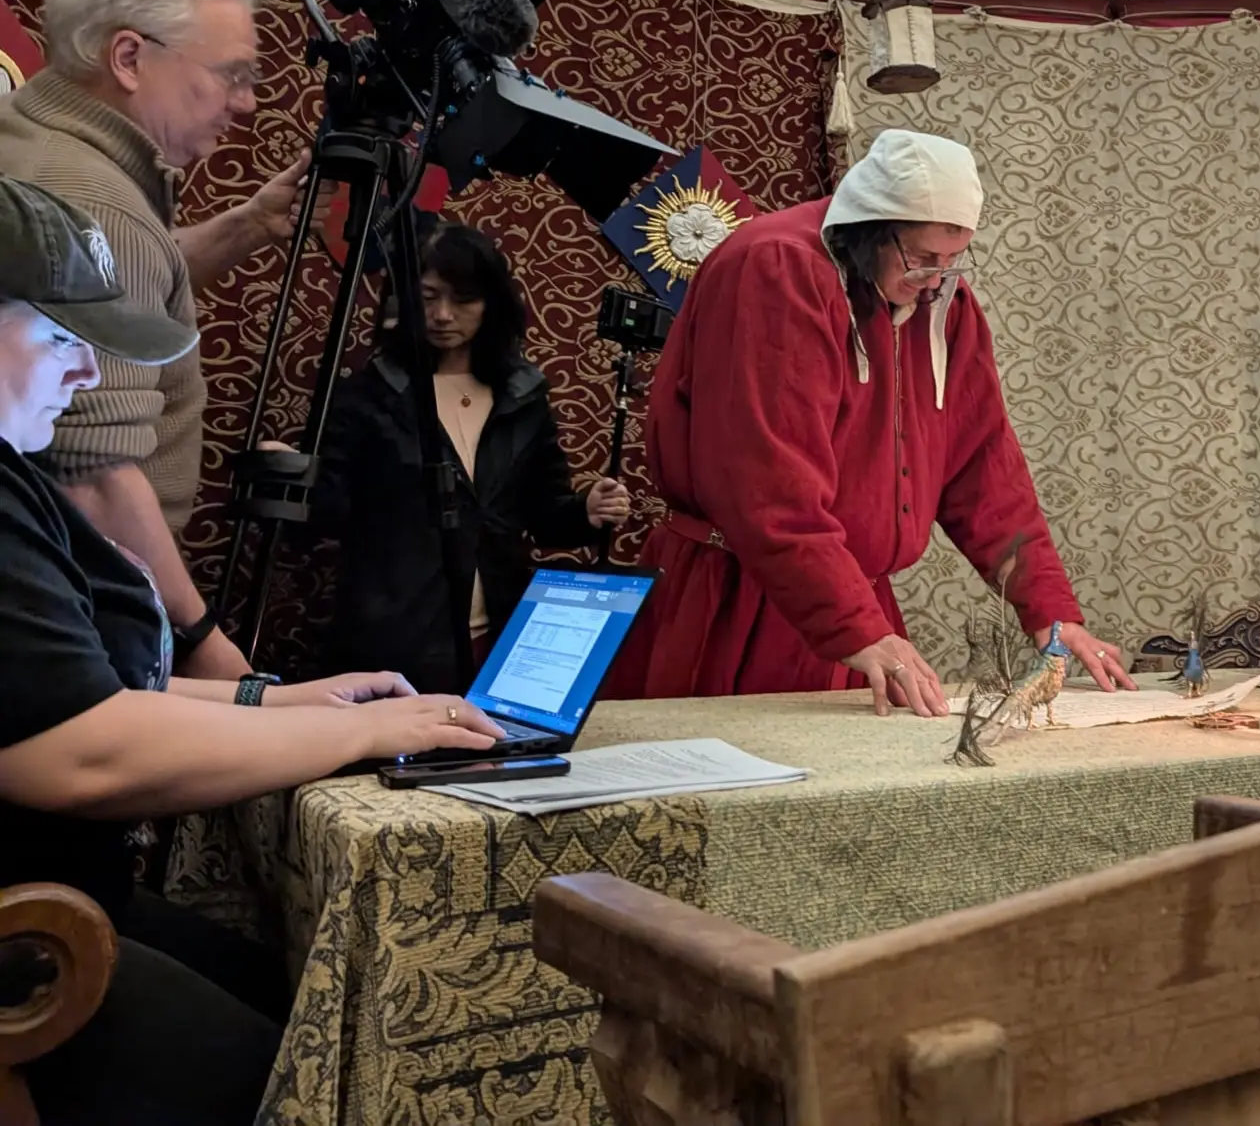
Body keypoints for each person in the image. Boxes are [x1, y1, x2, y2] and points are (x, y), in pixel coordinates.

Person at [0, 175, 503, 1123]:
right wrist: (363, 735)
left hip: (63, 892)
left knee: (292, 992)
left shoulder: (15, 477)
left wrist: (287, 701)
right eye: (64, 338)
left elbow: (91, 686)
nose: (84, 371)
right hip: (32, 922)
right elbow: (80, 748)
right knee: (291, 1077)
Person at [611, 128, 1132, 718]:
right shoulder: (778, 267)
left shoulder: (944, 304)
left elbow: (986, 471)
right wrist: (854, 626)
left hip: (847, 602)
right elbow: (767, 481)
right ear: (870, 230)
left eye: (954, 259)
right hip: (742, 594)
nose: (937, 279)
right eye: (923, 259)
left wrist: (1050, 613)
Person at [0, 0, 328, 682]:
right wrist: (207, 644)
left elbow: (95, 286)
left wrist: (246, 226)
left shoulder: (40, 138)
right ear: (128, 56)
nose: (246, 104)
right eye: (230, 75)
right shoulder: (94, 193)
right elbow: (91, 469)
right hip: (80, 598)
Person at [302, 224, 630, 696]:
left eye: (463, 299)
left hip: (500, 635)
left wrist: (586, 510)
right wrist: (293, 478)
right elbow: (327, 513)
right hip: (394, 637)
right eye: (429, 297)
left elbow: (543, 513)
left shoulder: (522, 395)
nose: (442, 315)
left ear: (491, 302)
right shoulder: (370, 395)